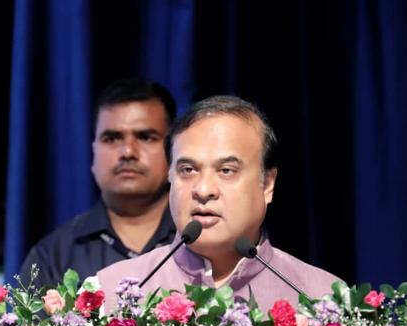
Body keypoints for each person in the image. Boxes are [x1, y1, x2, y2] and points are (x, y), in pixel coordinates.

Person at [96, 95, 340, 311]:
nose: (203, 190)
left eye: (226, 171)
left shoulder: (324, 300)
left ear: (267, 184)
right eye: (188, 170)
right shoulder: (110, 296)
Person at [18, 78, 178, 290]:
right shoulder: (52, 257)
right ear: (93, 150)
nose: (128, 152)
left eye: (145, 137)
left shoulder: (202, 242)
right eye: (112, 138)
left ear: (174, 149)